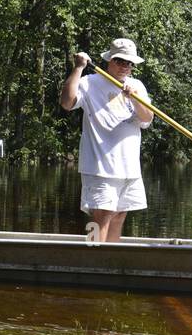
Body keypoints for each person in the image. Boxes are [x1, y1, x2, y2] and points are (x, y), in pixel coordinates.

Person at [58, 38, 154, 242]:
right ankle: (93, 259)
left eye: (129, 63)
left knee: (119, 215)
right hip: (100, 167)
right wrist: (78, 69)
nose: (125, 66)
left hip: (128, 168)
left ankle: (110, 261)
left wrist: (135, 99)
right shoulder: (90, 82)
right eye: (120, 61)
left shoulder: (137, 86)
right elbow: (66, 103)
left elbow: (147, 118)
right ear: (109, 60)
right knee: (100, 217)